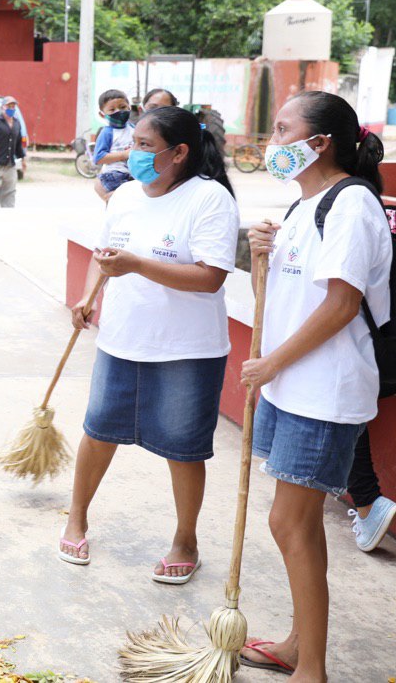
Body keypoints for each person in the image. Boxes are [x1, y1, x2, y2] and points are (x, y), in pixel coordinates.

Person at [241, 91, 391, 681]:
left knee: (290, 522)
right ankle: (299, 644)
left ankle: (313, 669)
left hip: (322, 391)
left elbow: (341, 305)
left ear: (320, 142)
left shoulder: (351, 204)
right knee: (292, 522)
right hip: (289, 387)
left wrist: (272, 363)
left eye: (283, 131)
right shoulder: (307, 204)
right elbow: (291, 294)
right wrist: (262, 256)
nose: (273, 143)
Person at [62, 107, 238, 585]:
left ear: (179, 152)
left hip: (186, 349)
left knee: (183, 448)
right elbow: (105, 256)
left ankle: (186, 540)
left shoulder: (209, 199)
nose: (132, 153)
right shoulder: (123, 196)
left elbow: (209, 277)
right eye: (134, 142)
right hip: (122, 338)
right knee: (98, 431)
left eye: (144, 145)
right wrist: (85, 296)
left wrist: (138, 264)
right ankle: (76, 517)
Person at [92, 89, 134, 203]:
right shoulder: (107, 133)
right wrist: (123, 155)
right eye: (112, 109)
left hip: (134, 174)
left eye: (122, 107)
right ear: (102, 114)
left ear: (129, 107)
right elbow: (99, 158)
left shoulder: (134, 129)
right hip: (115, 175)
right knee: (120, 200)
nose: (118, 111)